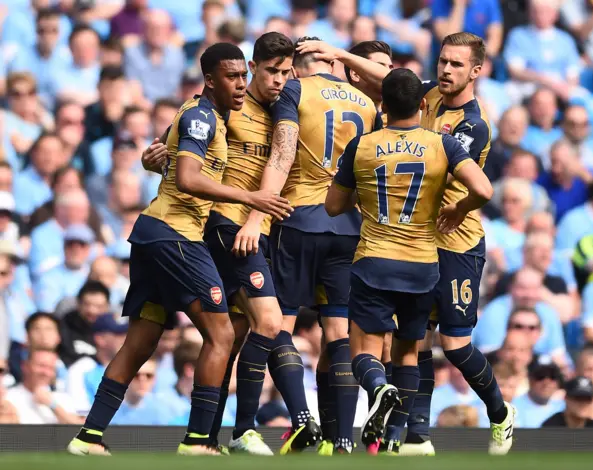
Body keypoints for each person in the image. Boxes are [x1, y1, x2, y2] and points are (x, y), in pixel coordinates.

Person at [66, 43, 292, 457]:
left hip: (152, 234)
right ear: (210, 79)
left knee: (140, 340)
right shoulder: (203, 116)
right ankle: (198, 441)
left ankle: (88, 437)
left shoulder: (205, 115)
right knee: (221, 333)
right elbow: (188, 179)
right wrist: (253, 198)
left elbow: (173, 163)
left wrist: (159, 160)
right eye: (231, 76)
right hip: (175, 235)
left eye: (243, 75)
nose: (241, 84)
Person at [297, 30, 514, 456]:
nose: (446, 70)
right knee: (417, 341)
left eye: (455, 65)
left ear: (475, 71)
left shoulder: (472, 125)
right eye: (443, 61)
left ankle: (500, 413)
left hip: (456, 241)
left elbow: (466, 180)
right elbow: (390, 79)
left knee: (454, 345)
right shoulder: (428, 97)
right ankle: (415, 433)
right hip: (417, 243)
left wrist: (461, 207)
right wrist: (340, 54)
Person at [142, 33, 315, 455]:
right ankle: (246, 429)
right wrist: (153, 158)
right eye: (272, 71)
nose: (279, 80)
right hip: (227, 225)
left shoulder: (283, 113)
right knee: (268, 323)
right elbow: (173, 152)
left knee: (234, 337)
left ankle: (208, 436)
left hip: (259, 228)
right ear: (252, 68)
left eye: (286, 72)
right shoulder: (223, 106)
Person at [235, 36, 379, 455]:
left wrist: (258, 214)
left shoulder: (296, 90)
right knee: (339, 331)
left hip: (299, 219)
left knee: (278, 322)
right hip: (350, 227)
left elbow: (281, 155)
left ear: (296, 65)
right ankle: (345, 438)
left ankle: (301, 417)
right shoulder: (364, 102)